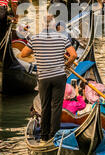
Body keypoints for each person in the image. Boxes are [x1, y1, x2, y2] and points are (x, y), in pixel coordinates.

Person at [20, 15, 77, 144]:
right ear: (54, 26)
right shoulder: (62, 38)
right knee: (56, 107)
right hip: (59, 76)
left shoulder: (35, 39)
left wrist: (36, 50)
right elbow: (73, 55)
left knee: (45, 106)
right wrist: (66, 65)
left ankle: (44, 137)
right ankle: (54, 136)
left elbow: (23, 54)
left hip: (44, 78)